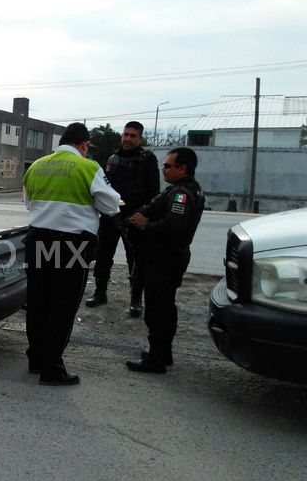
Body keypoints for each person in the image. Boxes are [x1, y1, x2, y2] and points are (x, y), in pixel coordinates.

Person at [23, 122, 121, 385]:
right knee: (62, 306)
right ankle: (51, 370)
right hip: (72, 246)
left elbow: (28, 203)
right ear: (84, 145)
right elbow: (110, 205)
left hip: (39, 240)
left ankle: (35, 359)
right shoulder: (88, 167)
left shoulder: (36, 166)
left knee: (38, 302)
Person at [125, 147, 205, 373]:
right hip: (167, 257)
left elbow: (174, 228)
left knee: (158, 309)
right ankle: (162, 352)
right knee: (165, 307)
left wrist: (144, 225)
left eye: (169, 166)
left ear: (182, 168)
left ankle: (157, 359)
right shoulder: (185, 190)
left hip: (164, 258)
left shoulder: (181, 194)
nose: (164, 169)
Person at [85, 121, 159, 317]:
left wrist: (143, 215)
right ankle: (100, 293)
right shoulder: (113, 157)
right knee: (102, 256)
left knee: (135, 260)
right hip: (111, 217)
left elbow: (154, 193)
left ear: (140, 138)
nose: (128, 139)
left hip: (135, 219)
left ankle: (136, 300)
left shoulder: (148, 159)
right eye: (125, 134)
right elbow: (103, 188)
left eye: (133, 136)